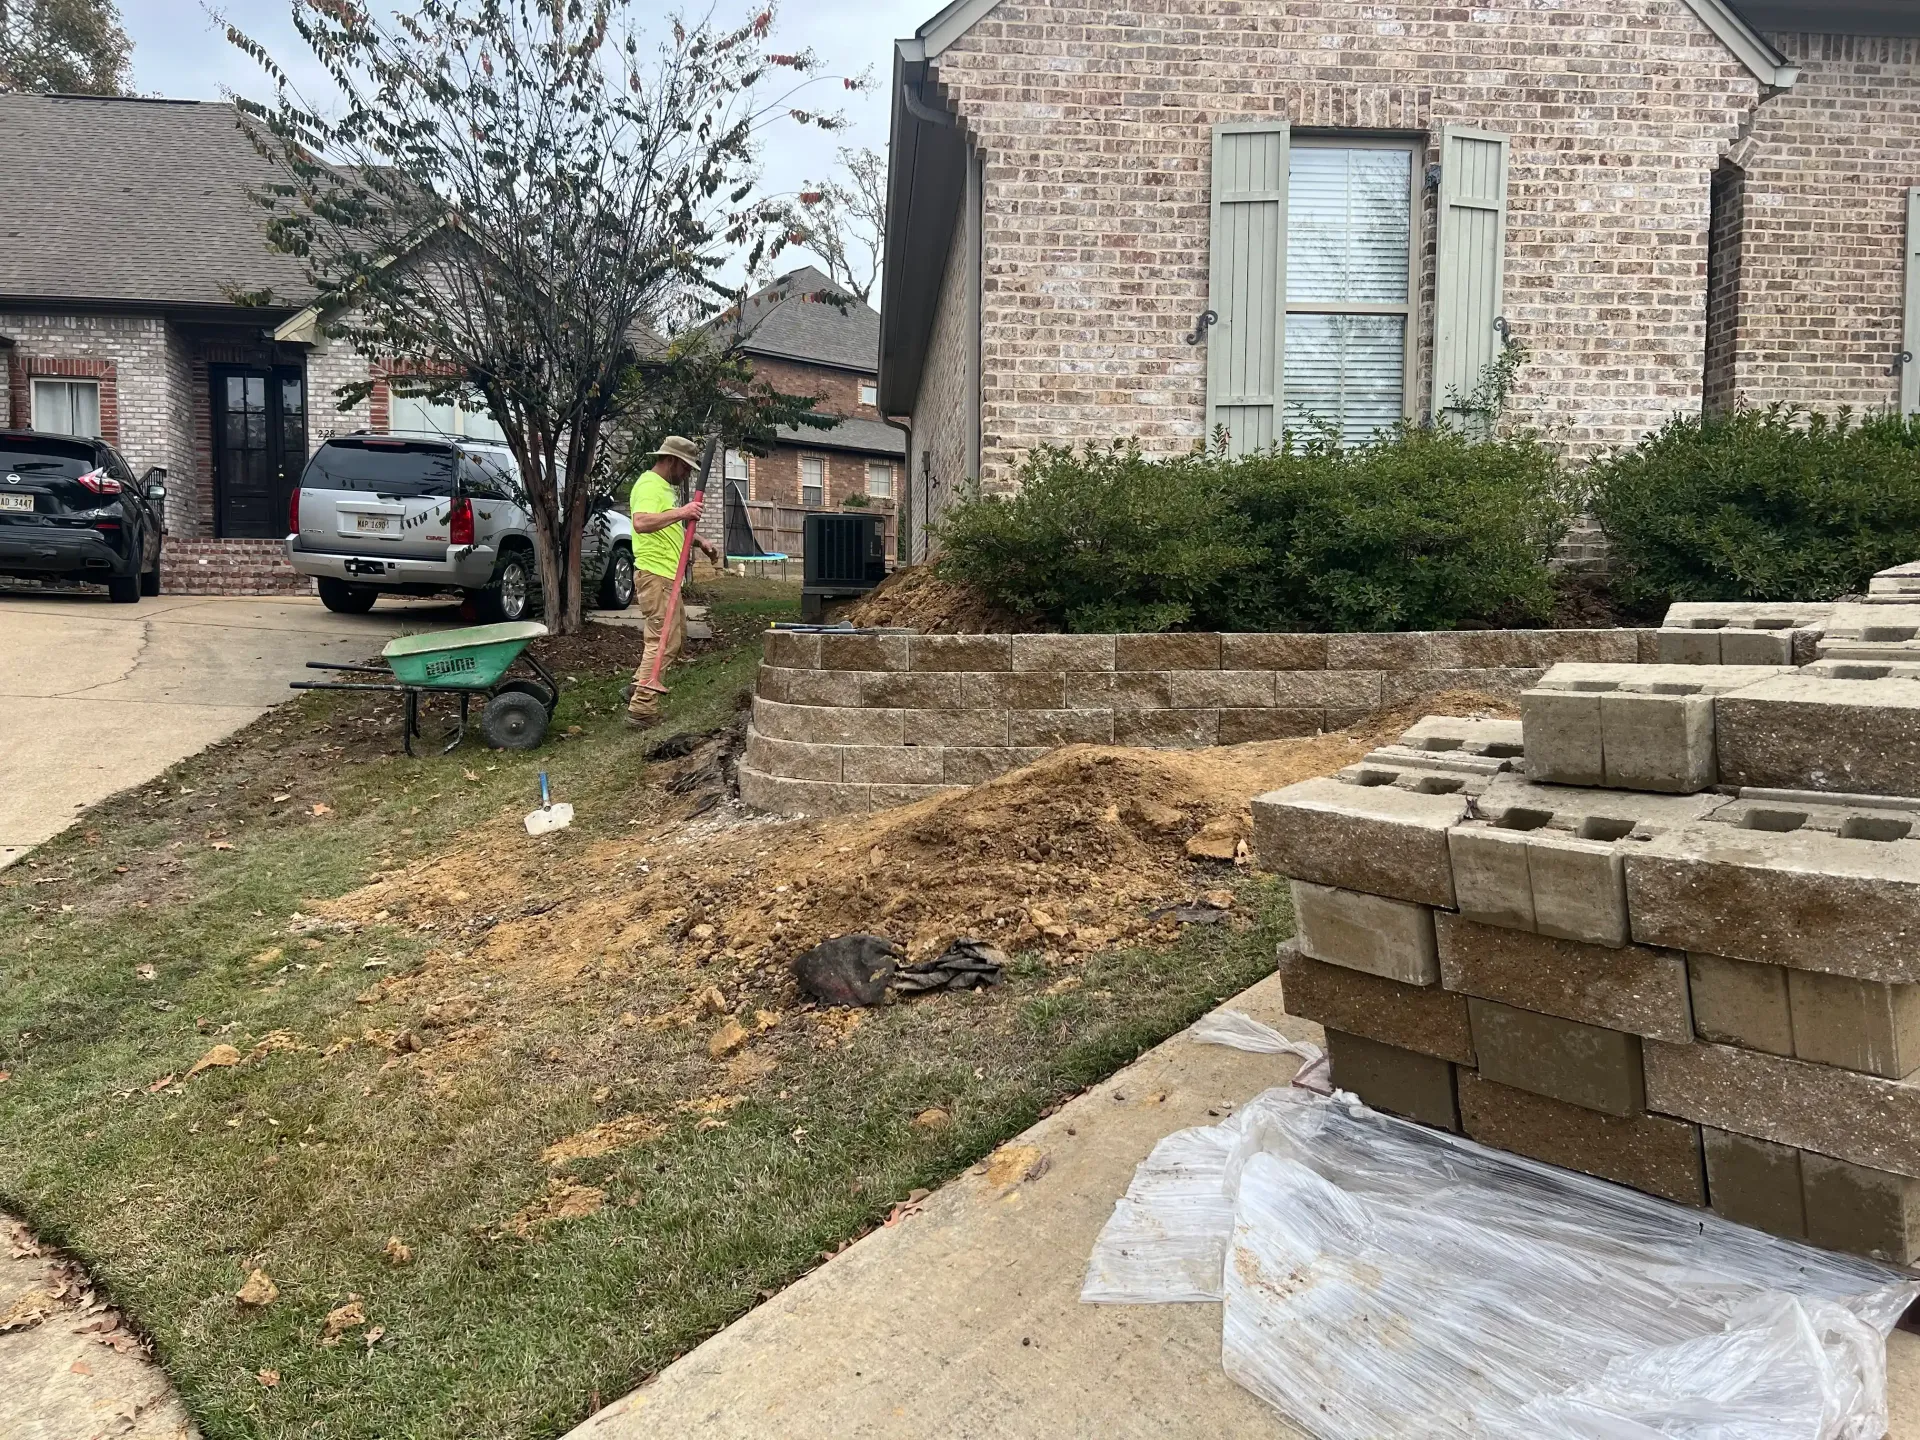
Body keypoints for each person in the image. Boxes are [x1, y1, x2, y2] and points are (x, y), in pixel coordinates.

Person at [626, 435, 720, 726]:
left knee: (673, 641)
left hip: (668, 576)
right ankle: (641, 708)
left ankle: (637, 686)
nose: (688, 474)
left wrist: (699, 541)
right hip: (656, 575)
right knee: (662, 640)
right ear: (672, 461)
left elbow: (667, 526)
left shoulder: (663, 489)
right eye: (687, 468)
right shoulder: (649, 485)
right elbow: (641, 523)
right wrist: (683, 511)